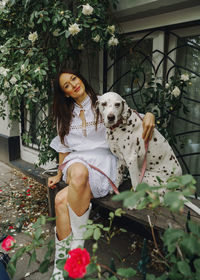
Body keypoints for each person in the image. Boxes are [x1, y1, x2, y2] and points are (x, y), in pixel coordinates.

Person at [48, 69, 155, 279]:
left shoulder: (104, 101)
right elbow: (63, 147)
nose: (73, 85)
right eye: (67, 86)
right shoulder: (65, 114)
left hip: (104, 163)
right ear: (66, 93)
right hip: (77, 161)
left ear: (81, 78)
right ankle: (77, 252)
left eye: (74, 79)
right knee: (78, 173)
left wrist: (150, 114)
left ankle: (60, 268)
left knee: (61, 201)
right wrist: (59, 175)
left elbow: (133, 118)